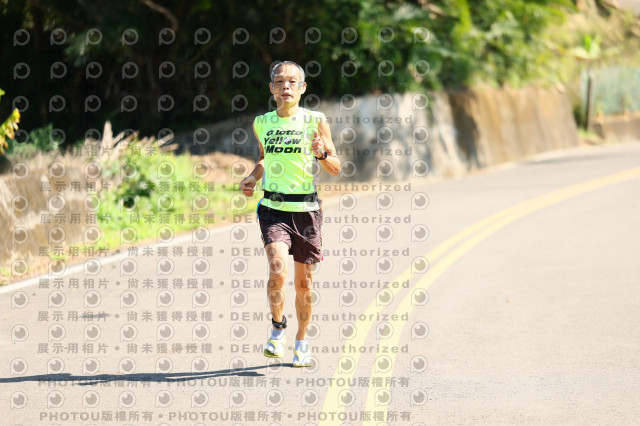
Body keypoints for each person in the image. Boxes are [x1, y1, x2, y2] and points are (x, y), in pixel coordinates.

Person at [240, 61, 341, 367]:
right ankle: (277, 328)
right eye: (280, 82)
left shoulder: (315, 121)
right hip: (273, 209)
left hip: (307, 212)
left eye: (292, 82)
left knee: (304, 284)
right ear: (271, 88)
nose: (286, 86)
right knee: (277, 269)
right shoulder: (262, 123)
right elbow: (264, 158)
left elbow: (335, 167)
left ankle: (302, 342)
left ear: (302, 88)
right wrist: (252, 177)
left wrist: (321, 153)